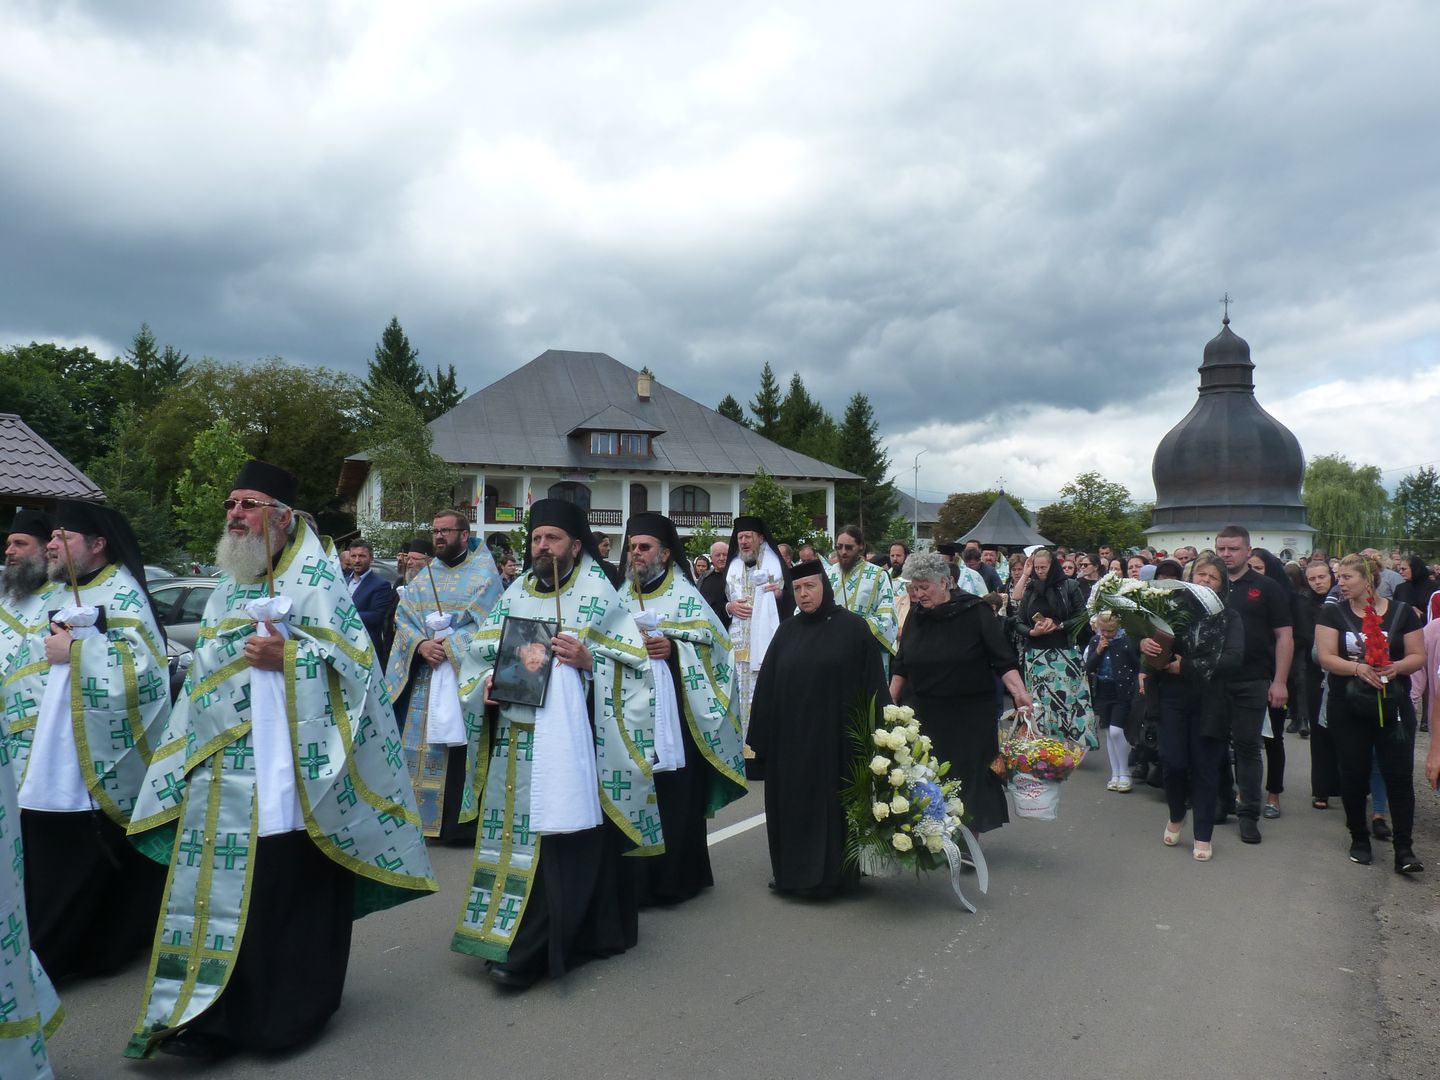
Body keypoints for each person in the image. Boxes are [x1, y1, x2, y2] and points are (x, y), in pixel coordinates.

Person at [126, 461, 436, 1058]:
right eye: (231, 504)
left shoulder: (318, 581)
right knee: (218, 896)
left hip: (301, 778)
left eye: (248, 503)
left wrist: (290, 657)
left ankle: (290, 1014)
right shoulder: (229, 585)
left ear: (283, 516)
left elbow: (358, 674)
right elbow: (205, 664)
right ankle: (211, 1015)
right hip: (229, 770)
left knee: (291, 890)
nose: (235, 514)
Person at [454, 499, 656, 987]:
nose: (542, 546)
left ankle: (535, 949)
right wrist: (484, 686)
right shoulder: (515, 594)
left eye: (553, 538)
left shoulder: (598, 596)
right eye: (537, 538)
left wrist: (591, 663)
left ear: (577, 545)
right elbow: (480, 653)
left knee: (559, 845)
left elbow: (637, 672)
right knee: (511, 843)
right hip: (513, 743)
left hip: (568, 747)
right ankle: (504, 936)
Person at [0, 500, 169, 984]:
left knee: (76, 860)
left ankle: (59, 958)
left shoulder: (122, 591)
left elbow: (144, 674)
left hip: (95, 759)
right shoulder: (52, 589)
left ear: (97, 544)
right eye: (50, 535)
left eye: (64, 536)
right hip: (46, 753)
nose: (51, 543)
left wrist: (77, 651)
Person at [617, 512, 747, 905]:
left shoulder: (685, 596)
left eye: (644, 547)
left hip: (677, 720)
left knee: (674, 799)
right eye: (632, 548)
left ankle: (675, 880)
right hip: (629, 717)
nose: (636, 554)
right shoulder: (619, 595)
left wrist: (674, 650)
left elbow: (718, 649)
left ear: (666, 552)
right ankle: (633, 881)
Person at [746, 561, 888, 897]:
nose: (804, 594)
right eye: (797, 589)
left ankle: (837, 877)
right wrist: (760, 742)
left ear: (824, 586)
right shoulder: (787, 632)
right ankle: (791, 876)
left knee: (835, 810)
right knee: (792, 809)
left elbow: (873, 685)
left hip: (836, 743)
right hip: (790, 745)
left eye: (809, 586)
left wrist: (882, 735)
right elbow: (766, 686)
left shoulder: (853, 628)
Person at [384, 509, 504, 843]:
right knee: (421, 745)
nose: (438, 536)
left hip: (463, 678)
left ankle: (458, 824)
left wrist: (451, 646)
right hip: (425, 676)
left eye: (446, 531)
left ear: (464, 535)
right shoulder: (425, 577)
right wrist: (422, 644)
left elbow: (490, 624)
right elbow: (403, 617)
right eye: (435, 531)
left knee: (460, 744)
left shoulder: (484, 575)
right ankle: (416, 820)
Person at [888, 553, 1030, 834]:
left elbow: (1002, 659)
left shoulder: (974, 611)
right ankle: (933, 834)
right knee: (926, 774)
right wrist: (890, 700)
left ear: (944, 582)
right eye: (913, 588)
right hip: (924, 710)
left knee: (967, 777)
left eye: (924, 587)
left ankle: (967, 837)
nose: (917, 594)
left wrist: (1020, 693)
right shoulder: (918, 614)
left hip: (968, 714)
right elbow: (902, 662)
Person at [1315, 555, 1425, 872]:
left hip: (1393, 705)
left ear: (1368, 579)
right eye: (1340, 577)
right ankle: (1358, 837)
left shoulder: (1402, 613)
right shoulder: (1332, 612)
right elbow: (1326, 657)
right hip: (1348, 706)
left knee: (1400, 776)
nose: (1341, 583)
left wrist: (1396, 667)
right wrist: (1358, 668)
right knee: (1353, 772)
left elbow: (1417, 655)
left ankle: (1404, 849)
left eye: (1347, 577)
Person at [1140, 554, 1242, 860]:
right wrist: (1144, 644)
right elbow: (1150, 638)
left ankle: (1203, 834)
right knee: (1173, 762)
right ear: (1190, 577)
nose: (1205, 580)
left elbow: (1234, 658)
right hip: (1171, 696)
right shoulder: (1171, 607)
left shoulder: (1230, 616)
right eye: (1201, 574)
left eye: (1213, 577)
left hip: (1210, 699)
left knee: (1205, 767)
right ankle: (1176, 813)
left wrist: (1188, 667)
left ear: (1222, 583)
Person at [1213, 526, 1293, 844]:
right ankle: (1221, 801)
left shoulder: (1267, 587)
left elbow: (1284, 636)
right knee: (1214, 744)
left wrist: (1281, 681)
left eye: (1233, 549)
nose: (1226, 555)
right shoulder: (1208, 586)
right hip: (1213, 679)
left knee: (1247, 748)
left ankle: (1249, 814)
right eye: (1221, 549)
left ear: (1248, 551)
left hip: (1253, 679)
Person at [1010, 548, 1096, 747]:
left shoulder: (1070, 585)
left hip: (1064, 653)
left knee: (1067, 702)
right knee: (1040, 704)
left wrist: (1060, 625)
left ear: (1052, 566)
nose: (1040, 571)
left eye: (1044, 567)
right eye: (1037, 568)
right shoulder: (1031, 588)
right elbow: (1019, 621)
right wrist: (1032, 632)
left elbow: (1082, 617)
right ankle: (1043, 744)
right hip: (1036, 655)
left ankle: (1068, 744)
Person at [723, 516, 794, 749]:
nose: (743, 542)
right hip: (737, 652)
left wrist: (780, 596)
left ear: (760, 538)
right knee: (738, 702)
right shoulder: (731, 568)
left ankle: (765, 751)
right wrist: (728, 607)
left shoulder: (777, 568)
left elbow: (792, 604)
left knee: (765, 699)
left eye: (747, 537)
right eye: (740, 537)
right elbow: (714, 603)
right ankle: (740, 752)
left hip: (767, 650)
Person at [1248, 548, 1292, 819]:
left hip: (1274, 675)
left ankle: (1273, 793)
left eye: (1259, 568)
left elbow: (1287, 640)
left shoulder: (1282, 597)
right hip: (1247, 675)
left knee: (1272, 738)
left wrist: (1280, 681)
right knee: (1245, 740)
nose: (1253, 573)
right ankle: (1245, 791)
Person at [1084, 612, 1140, 792]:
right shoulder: (1095, 641)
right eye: (1104, 630)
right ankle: (1115, 773)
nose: (1107, 634)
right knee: (1109, 732)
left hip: (1122, 690)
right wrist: (1099, 650)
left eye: (1111, 631)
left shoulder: (1126, 642)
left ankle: (1125, 772)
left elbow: (1136, 665)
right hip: (1103, 689)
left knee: (1117, 731)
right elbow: (1089, 667)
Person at [1302, 560, 1341, 809]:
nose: (1318, 582)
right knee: (1320, 731)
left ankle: (1345, 783)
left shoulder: (1340, 602)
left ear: (1331, 577)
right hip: (1315, 673)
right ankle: (1322, 789)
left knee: (1344, 731)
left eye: (1322, 577)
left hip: (1341, 672)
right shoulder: (1305, 605)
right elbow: (1305, 639)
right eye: (1312, 578)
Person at [829, 525, 898, 665]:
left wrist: (856, 631)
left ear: (861, 546)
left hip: (866, 647)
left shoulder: (878, 575)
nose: (843, 552)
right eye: (839, 547)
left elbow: (887, 615)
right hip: (831, 648)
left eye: (849, 547)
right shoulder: (828, 574)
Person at [2, 508, 54, 672]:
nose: (9, 551)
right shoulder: (10, 591)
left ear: (47, 549)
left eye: (20, 543)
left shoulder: (62, 597)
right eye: (9, 544)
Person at [344, 538, 396, 664]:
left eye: (362, 556)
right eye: (353, 556)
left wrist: (345, 614)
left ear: (371, 558)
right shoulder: (343, 581)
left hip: (366, 648)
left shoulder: (380, 585)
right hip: (344, 646)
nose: (357, 560)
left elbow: (377, 617)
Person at [699, 540, 730, 628]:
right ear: (711, 558)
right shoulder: (704, 578)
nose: (721, 558)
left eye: (725, 555)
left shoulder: (733, 576)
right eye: (717, 555)